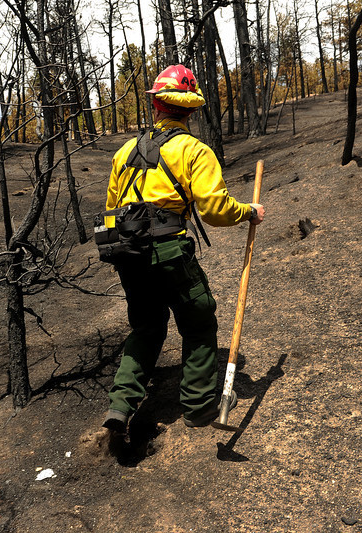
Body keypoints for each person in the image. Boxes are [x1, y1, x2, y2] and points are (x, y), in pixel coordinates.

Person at [101, 65, 265, 435]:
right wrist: (249, 212)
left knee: (145, 327)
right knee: (198, 320)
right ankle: (200, 404)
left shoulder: (124, 152)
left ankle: (121, 405)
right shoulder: (194, 150)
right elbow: (215, 210)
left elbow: (112, 209)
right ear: (190, 111)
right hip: (171, 252)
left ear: (156, 106)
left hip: (129, 255)